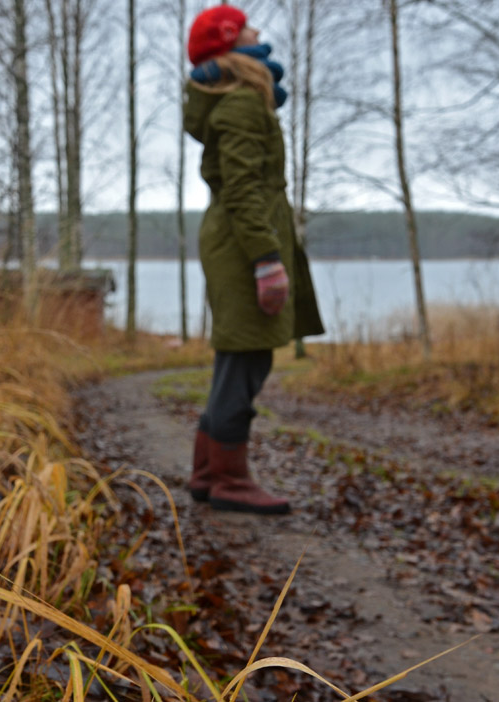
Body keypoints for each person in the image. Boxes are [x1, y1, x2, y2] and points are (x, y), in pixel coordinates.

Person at [183, 4, 324, 515]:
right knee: (246, 359)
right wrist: (266, 260)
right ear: (229, 43)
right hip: (245, 245)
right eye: (245, 27)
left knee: (237, 359)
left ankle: (207, 474)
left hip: (239, 239)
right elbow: (242, 188)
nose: (258, 31)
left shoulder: (236, 98)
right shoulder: (242, 102)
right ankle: (229, 480)